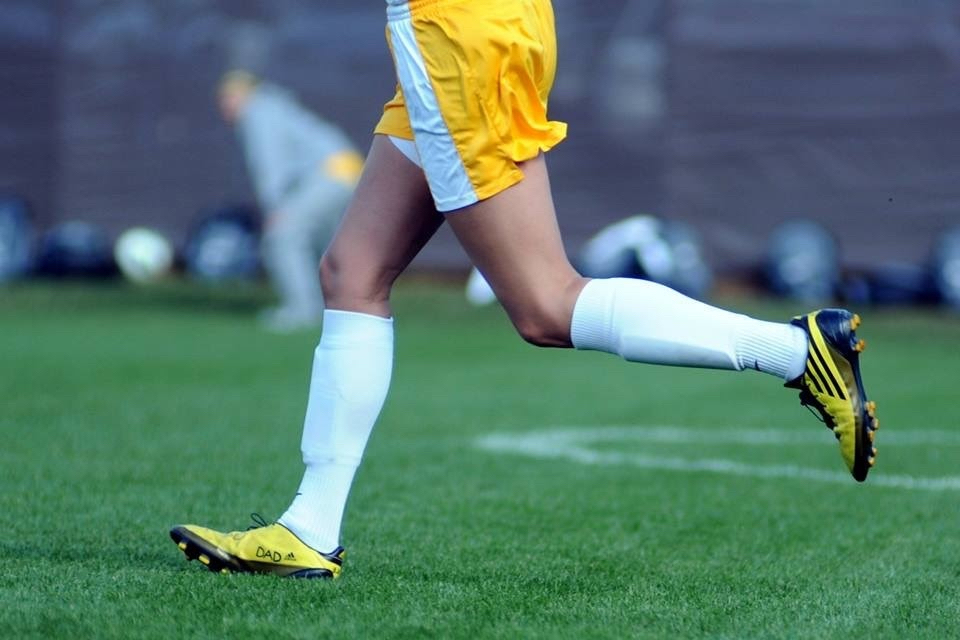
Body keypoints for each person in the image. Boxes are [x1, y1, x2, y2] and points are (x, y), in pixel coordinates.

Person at [171, 0, 879, 579]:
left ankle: (796, 350)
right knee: (351, 271)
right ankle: (309, 528)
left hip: (454, 32)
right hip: (460, 29)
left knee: (545, 304)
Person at [218, 71, 363, 332]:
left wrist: (276, 207)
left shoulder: (258, 112)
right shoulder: (275, 106)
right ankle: (345, 311)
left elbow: (270, 162)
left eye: (229, 96)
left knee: (282, 237)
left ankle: (302, 311)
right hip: (346, 171)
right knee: (327, 245)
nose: (225, 105)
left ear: (244, 93)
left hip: (329, 175)